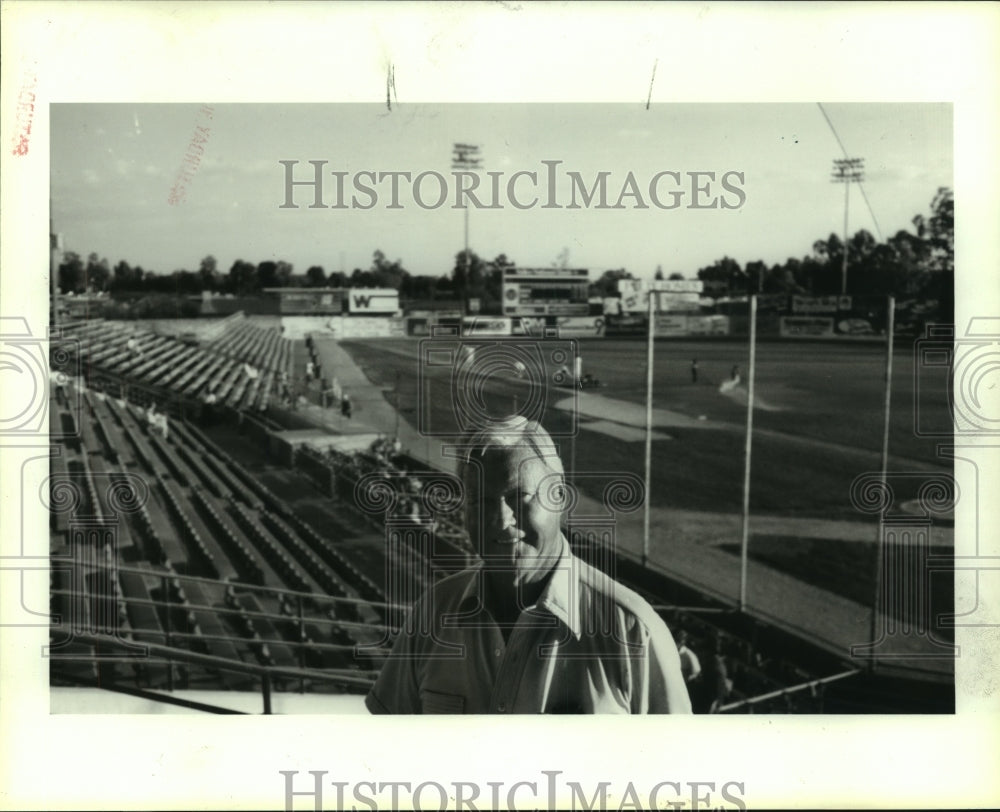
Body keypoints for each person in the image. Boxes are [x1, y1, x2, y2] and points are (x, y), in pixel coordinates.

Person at [365, 416, 691, 714]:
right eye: (481, 501)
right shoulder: (432, 613)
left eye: (519, 496)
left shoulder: (632, 631)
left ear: (560, 497)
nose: (500, 520)